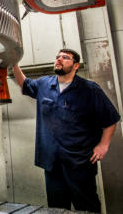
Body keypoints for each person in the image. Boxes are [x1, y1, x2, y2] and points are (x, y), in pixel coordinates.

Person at [13, 48, 120, 213]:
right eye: (57, 57)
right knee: (57, 208)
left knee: (87, 207)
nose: (58, 60)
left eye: (65, 57)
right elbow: (25, 84)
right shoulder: (44, 84)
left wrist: (103, 145)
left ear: (76, 65)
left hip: (79, 163)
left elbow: (111, 119)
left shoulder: (90, 89)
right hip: (52, 163)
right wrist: (14, 63)